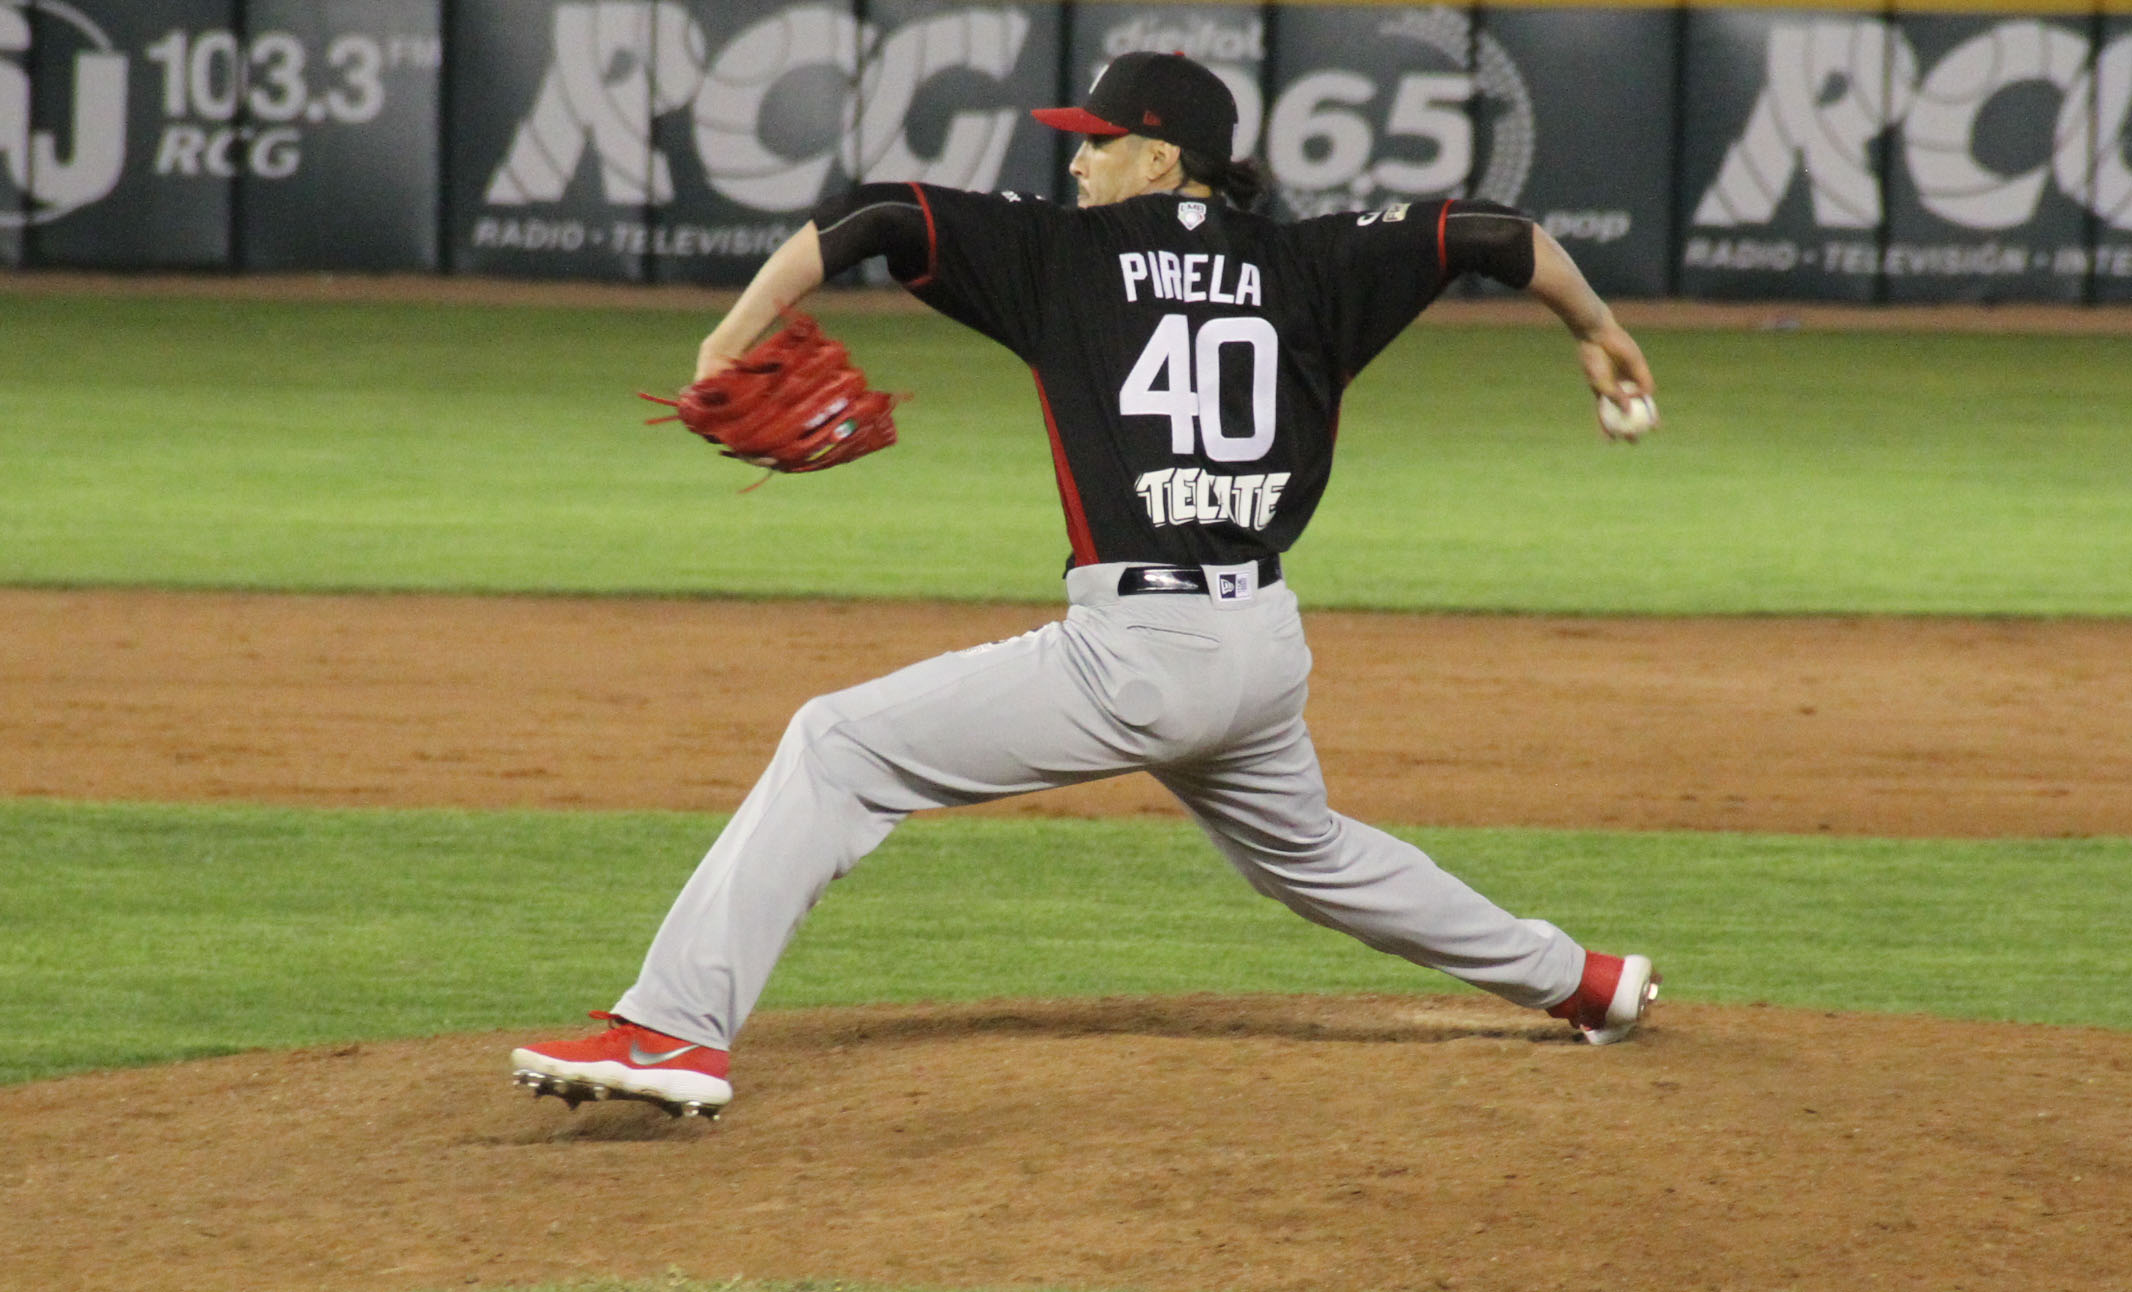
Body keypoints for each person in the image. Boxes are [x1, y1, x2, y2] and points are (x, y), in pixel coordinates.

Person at [511, 51, 1662, 1118]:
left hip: (1138, 652)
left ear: (1161, 160)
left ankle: (670, 1034)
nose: (1075, 162)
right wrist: (1596, 329)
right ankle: (1584, 981)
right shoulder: (1314, 263)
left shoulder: (1066, 254)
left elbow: (870, 213)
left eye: (1097, 141)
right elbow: (1497, 234)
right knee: (1309, 853)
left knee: (835, 746)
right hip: (1260, 645)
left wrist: (727, 339)